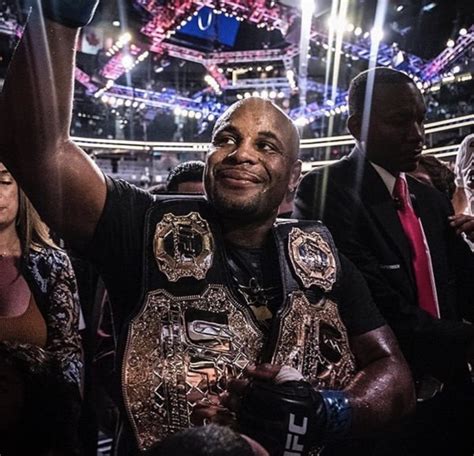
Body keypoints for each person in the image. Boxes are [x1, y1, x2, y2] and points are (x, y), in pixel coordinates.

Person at [0, 6, 414, 456]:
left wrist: (332, 410)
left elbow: (393, 373)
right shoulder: (141, 227)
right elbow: (38, 152)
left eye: (266, 145)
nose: (241, 153)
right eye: (226, 139)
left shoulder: (320, 255)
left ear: (294, 177)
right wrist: (59, 14)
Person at [294, 67, 474, 455]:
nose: (417, 134)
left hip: (452, 393)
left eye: (420, 119)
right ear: (356, 127)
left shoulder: (430, 200)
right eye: (400, 121)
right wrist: (466, 341)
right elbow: (373, 302)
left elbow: (466, 282)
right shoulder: (325, 190)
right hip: (382, 399)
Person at [0, 162, 83, 455]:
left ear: (21, 190)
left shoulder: (51, 265)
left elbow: (69, 357)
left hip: (37, 433)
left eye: (4, 181)